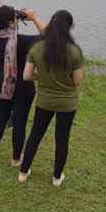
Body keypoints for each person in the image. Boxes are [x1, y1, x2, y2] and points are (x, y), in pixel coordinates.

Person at [18, 10, 84, 187]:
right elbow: (77, 81)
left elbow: (26, 76)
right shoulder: (74, 52)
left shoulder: (37, 48)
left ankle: (23, 172)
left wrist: (42, 77)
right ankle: (56, 177)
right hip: (67, 103)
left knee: (35, 136)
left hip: (44, 101)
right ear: (69, 27)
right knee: (62, 139)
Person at [0, 6, 46, 167]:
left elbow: (2, 22)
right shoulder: (21, 42)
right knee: (19, 122)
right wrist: (32, 17)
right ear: (12, 22)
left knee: (0, 119)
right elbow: (48, 35)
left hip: (2, 86)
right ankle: (16, 159)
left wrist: (16, 17)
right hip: (23, 89)